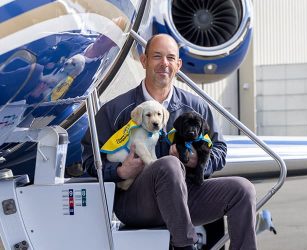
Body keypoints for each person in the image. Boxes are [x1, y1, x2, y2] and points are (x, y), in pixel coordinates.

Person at [81, 34, 257, 250]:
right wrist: (120, 171)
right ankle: (185, 245)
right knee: (169, 164)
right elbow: (88, 161)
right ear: (144, 61)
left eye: (170, 58)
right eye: (157, 56)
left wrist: (197, 160)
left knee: (243, 189)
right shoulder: (116, 110)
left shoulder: (195, 108)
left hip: (185, 196)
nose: (164, 63)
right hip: (136, 202)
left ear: (178, 65)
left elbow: (219, 150)